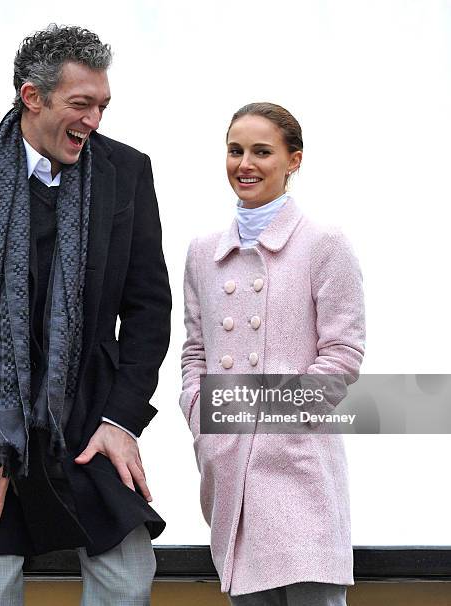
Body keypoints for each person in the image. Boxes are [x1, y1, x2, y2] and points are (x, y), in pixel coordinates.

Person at [0, 24, 171, 606]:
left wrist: (122, 423)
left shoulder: (127, 171)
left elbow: (149, 307)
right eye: (81, 105)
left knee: (128, 581)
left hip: (91, 428)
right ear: (33, 97)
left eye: (103, 106)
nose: (94, 121)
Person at [179, 102, 365, 605]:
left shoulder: (324, 243)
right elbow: (195, 352)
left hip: (299, 469)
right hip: (228, 470)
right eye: (236, 150)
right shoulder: (202, 251)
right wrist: (202, 419)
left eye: (262, 151)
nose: (246, 164)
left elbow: (342, 356)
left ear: (294, 161)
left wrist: (271, 425)